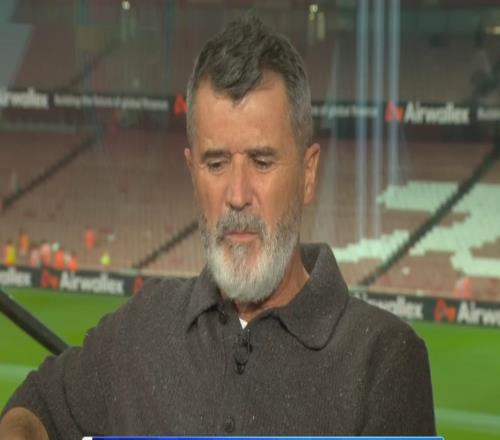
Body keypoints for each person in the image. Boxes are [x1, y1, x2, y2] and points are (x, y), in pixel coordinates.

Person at [0, 16, 436, 438]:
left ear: (308, 174)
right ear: (193, 174)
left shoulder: (384, 360)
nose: (237, 194)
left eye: (261, 161)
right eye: (216, 163)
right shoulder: (142, 326)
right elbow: (35, 406)